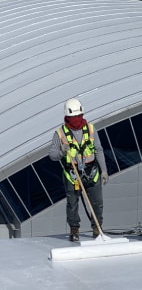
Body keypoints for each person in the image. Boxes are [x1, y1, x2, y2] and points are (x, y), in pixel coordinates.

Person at [49, 98, 109, 242]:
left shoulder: (90, 129)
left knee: (97, 202)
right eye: (73, 117)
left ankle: (97, 227)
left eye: (78, 116)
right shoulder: (60, 133)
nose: (76, 119)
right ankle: (74, 229)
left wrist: (104, 170)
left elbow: (99, 150)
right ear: (67, 117)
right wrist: (62, 152)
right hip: (72, 173)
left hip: (91, 171)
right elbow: (52, 155)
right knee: (72, 204)